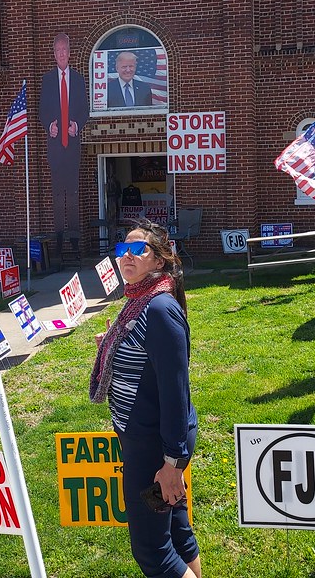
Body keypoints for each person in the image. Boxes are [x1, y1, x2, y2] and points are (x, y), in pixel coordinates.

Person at [90, 220, 200, 578]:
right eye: (122, 249)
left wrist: (172, 462)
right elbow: (145, 362)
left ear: (159, 260)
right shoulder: (139, 301)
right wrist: (112, 348)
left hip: (155, 446)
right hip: (149, 439)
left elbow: (175, 390)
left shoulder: (159, 309)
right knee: (178, 533)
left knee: (153, 551)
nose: (127, 256)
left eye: (138, 249)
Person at [39, 33, 90, 255]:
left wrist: (76, 125)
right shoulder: (47, 80)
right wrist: (49, 125)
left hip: (72, 145)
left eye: (64, 50)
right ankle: (59, 239)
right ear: (54, 54)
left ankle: (75, 239)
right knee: (58, 194)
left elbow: (85, 110)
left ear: (69, 53)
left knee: (73, 193)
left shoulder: (78, 79)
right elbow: (42, 111)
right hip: (55, 147)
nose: (61, 54)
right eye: (57, 50)